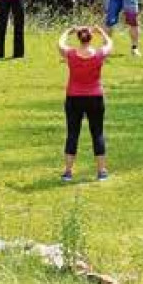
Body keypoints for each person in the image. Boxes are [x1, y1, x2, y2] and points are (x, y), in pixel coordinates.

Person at [57, 26, 113, 182]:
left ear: (79, 39)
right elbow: (109, 43)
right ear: (90, 39)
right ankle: (101, 171)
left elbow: (60, 43)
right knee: (98, 134)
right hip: (95, 97)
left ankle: (68, 172)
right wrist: (101, 32)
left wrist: (68, 31)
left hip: (74, 98)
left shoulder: (71, 54)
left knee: (72, 134)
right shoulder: (99, 54)